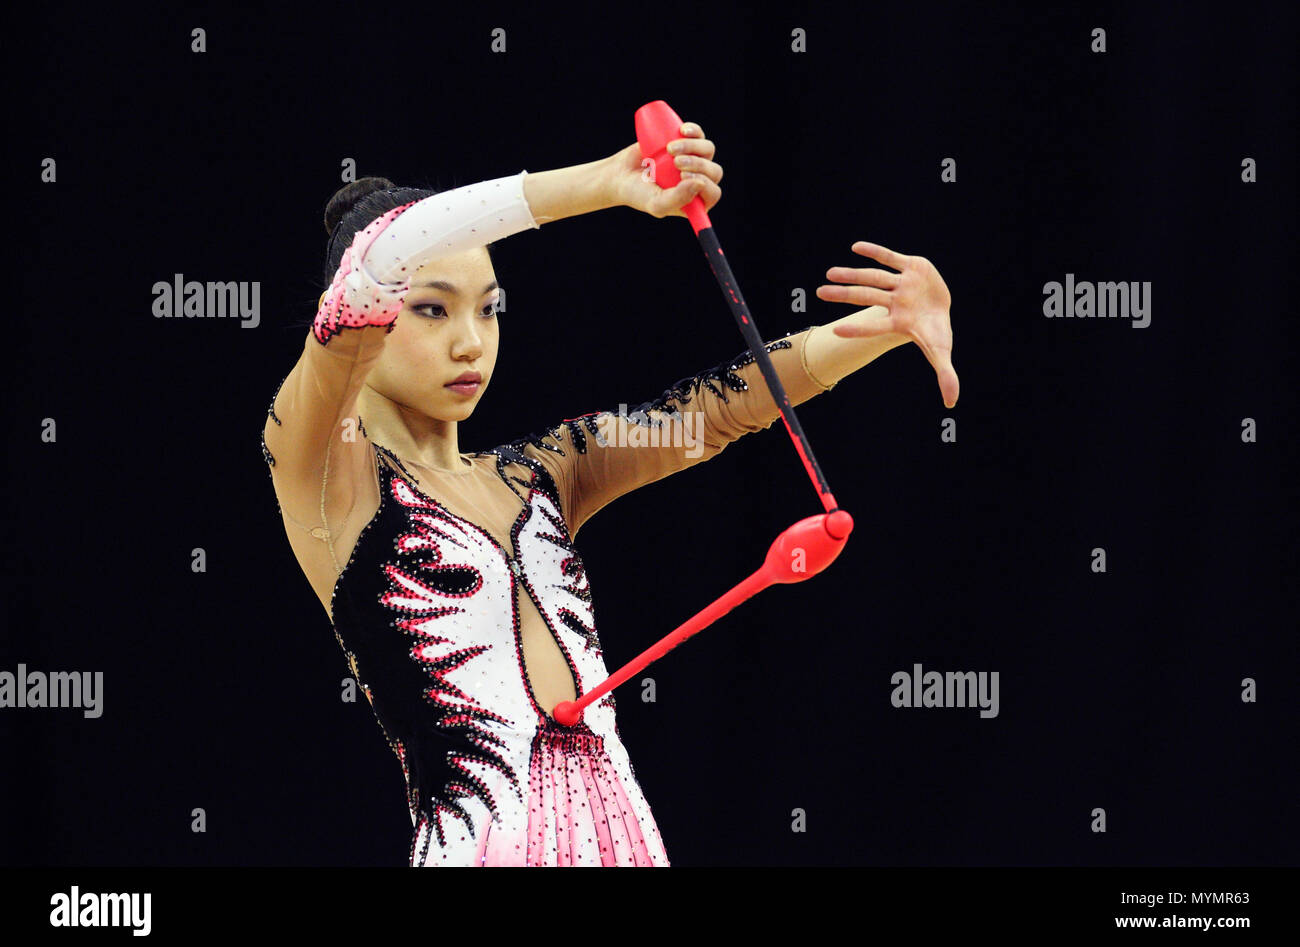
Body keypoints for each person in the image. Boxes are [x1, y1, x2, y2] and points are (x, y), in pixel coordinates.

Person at [259, 122, 959, 867]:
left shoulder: (540, 474)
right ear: (365, 315)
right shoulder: (324, 474)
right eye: (433, 309)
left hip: (622, 840)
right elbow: (379, 255)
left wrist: (887, 325)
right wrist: (607, 182)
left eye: (489, 308)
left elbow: (709, 412)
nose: (471, 340)